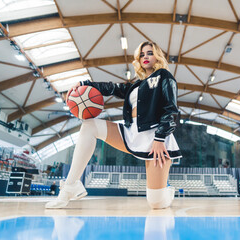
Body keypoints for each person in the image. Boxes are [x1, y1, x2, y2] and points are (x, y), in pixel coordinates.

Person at [46, 41, 182, 209]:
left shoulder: (164, 76)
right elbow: (112, 88)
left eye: (149, 53)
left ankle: (167, 192)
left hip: (156, 138)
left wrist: (160, 138)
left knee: (156, 203)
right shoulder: (136, 85)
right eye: (141, 54)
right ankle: (70, 186)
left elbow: (172, 110)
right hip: (131, 133)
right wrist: (83, 84)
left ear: (157, 56)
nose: (145, 57)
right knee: (89, 125)